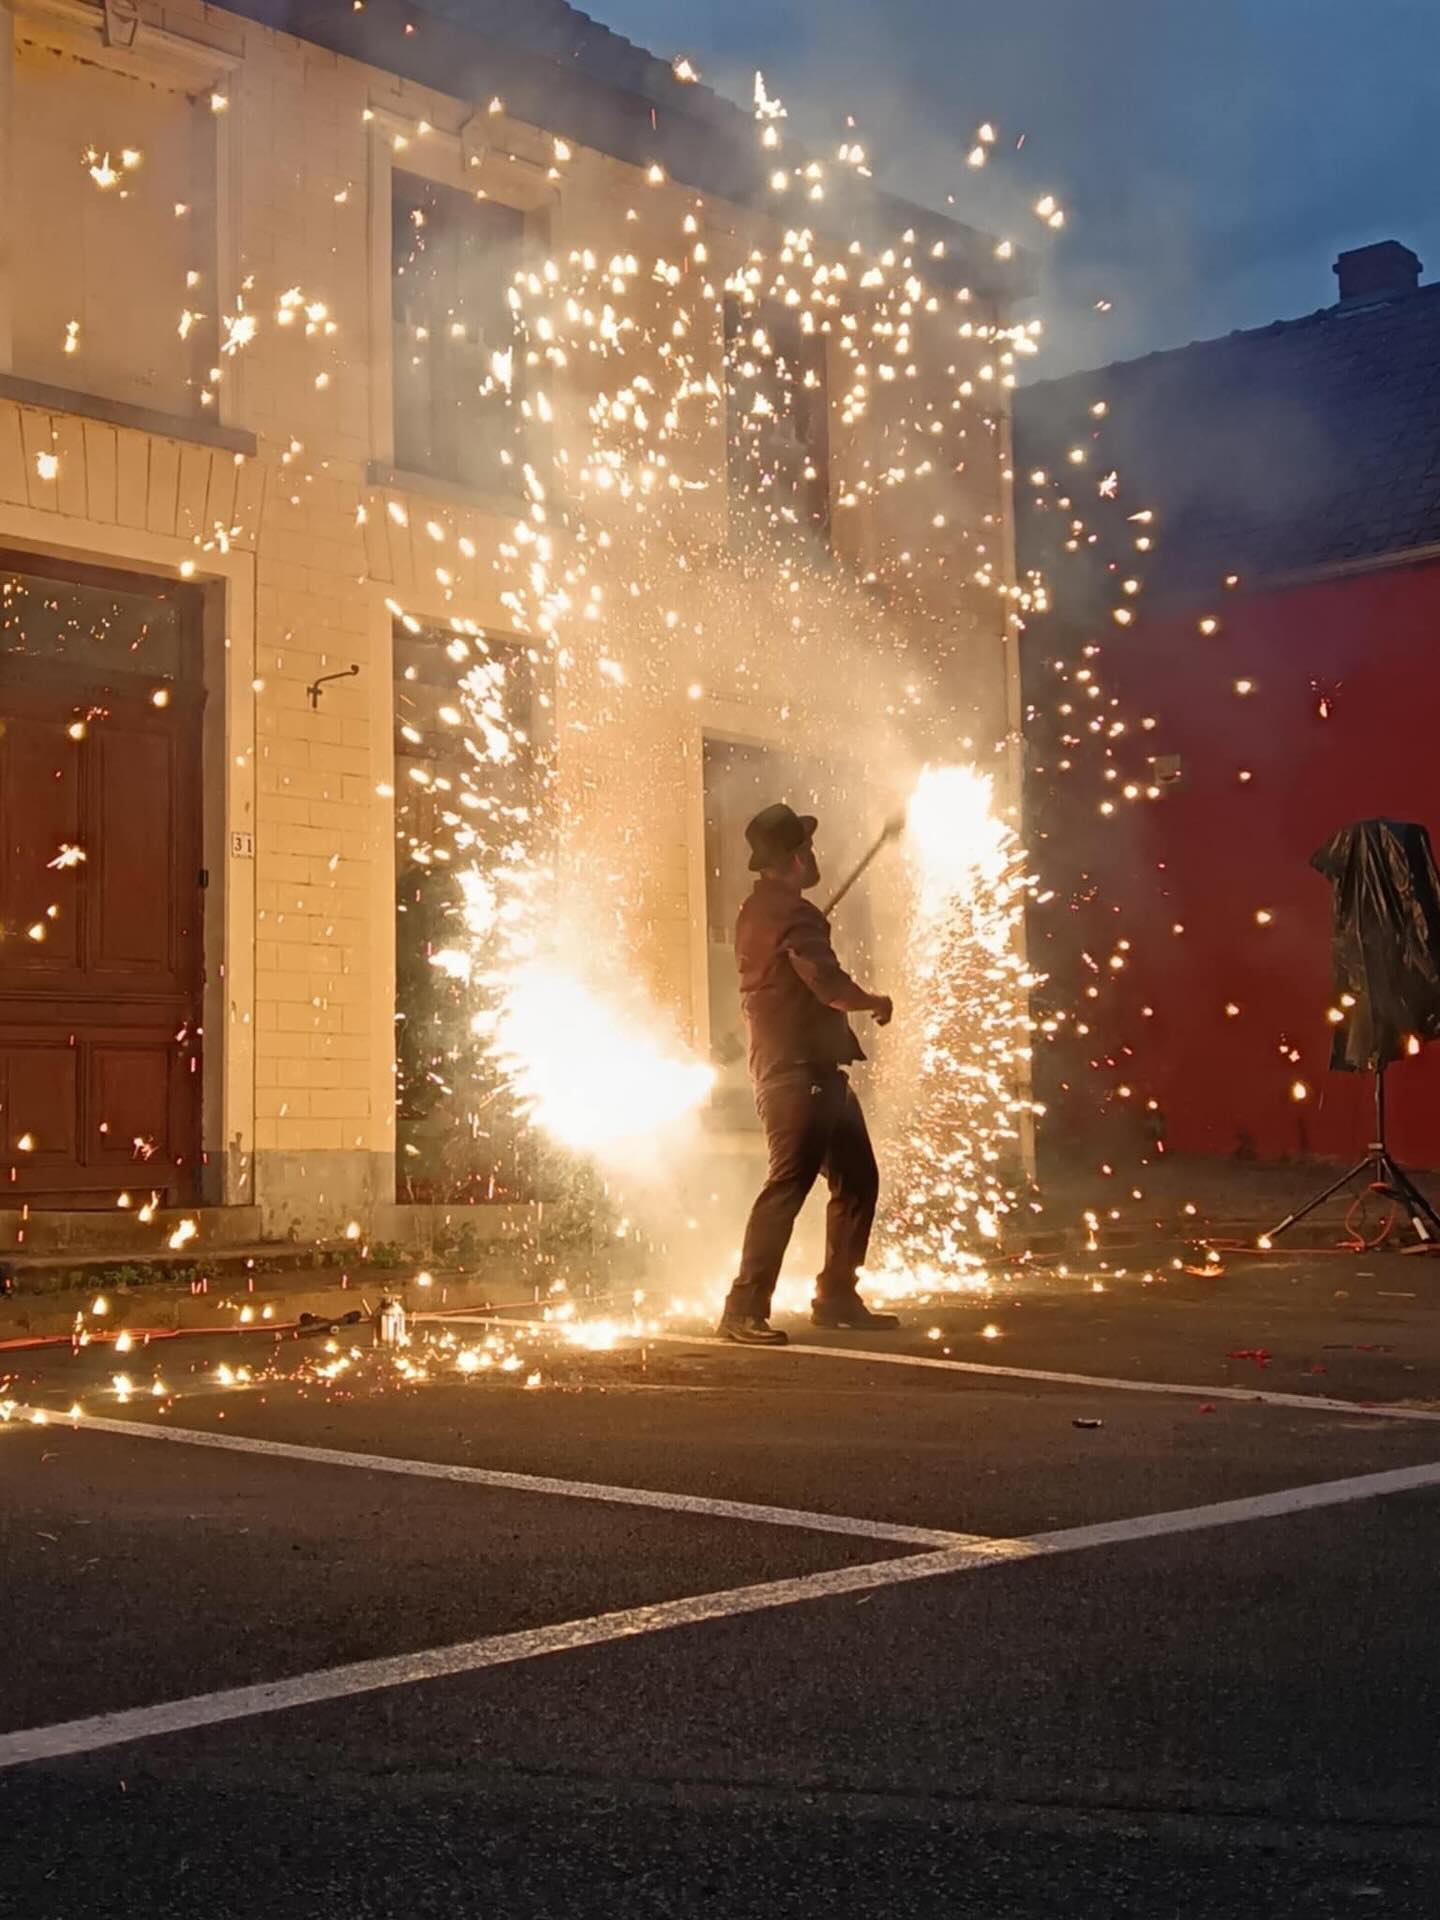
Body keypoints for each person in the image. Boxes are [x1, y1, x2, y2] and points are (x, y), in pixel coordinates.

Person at [718, 802, 900, 1346]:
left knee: (857, 1180)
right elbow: (825, 981)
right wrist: (873, 1001)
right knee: (787, 1186)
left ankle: (837, 1297)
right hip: (798, 1074)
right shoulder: (792, 916)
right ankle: (742, 1309)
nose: (815, 856)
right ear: (796, 857)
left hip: (814, 1072)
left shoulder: (761, 911)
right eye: (809, 848)